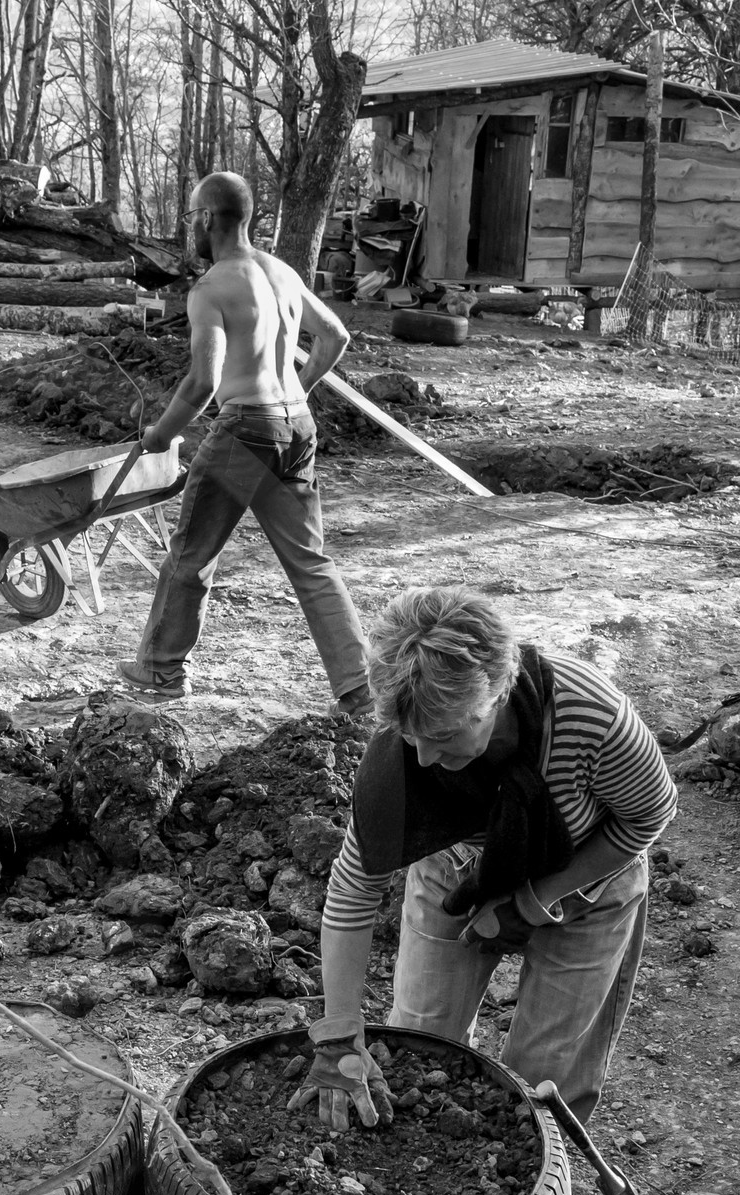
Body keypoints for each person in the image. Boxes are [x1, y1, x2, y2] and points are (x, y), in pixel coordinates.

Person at [289, 586, 677, 1133]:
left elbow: (647, 817)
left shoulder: (592, 716)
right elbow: (353, 891)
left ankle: (538, 1173)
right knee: (421, 1043)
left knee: (542, 1079)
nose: (425, 757)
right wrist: (338, 1033)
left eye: (445, 736)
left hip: (589, 878)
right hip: (457, 872)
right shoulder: (411, 736)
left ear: (498, 693)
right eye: (411, 737)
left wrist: (534, 901)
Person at [118, 171, 370, 713]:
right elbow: (335, 335)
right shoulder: (283, 273)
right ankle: (360, 690)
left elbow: (202, 383)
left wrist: (161, 434)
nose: (191, 226)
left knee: (190, 555)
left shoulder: (211, 288)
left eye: (192, 216)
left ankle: (161, 669)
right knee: (311, 563)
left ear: (208, 218)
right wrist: (298, 390)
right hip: (296, 428)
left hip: (245, 433)